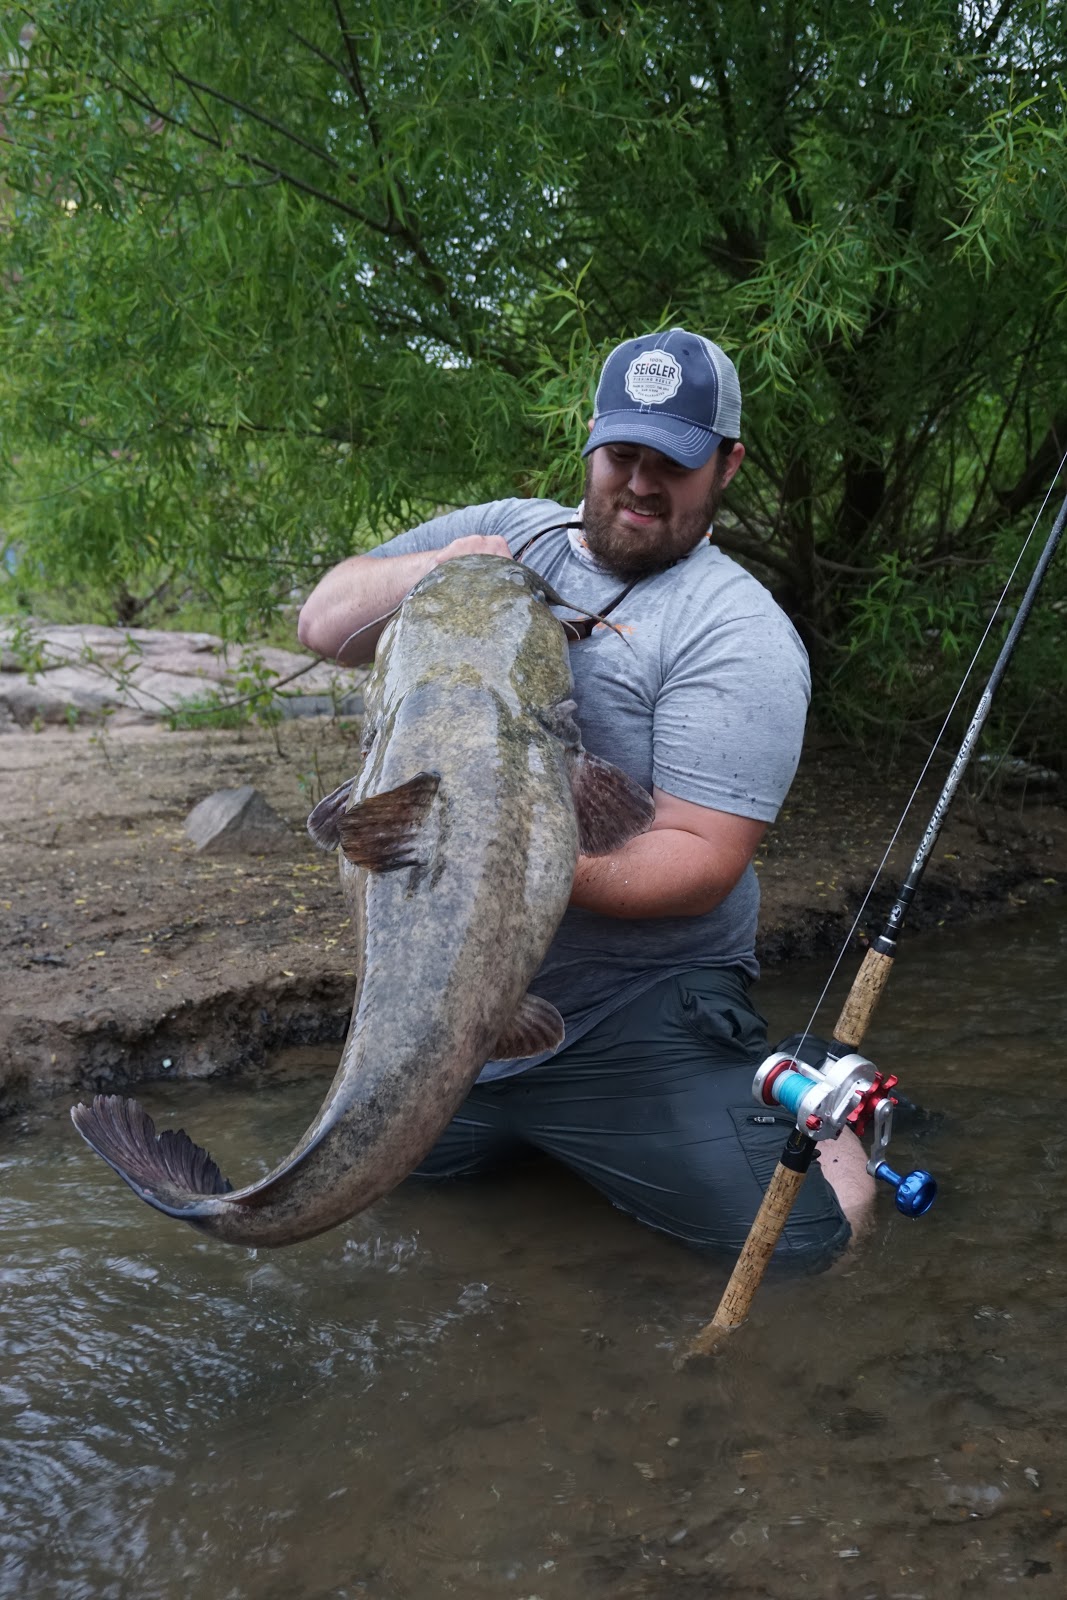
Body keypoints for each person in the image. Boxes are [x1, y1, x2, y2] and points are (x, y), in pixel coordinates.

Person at [298, 328, 874, 1269]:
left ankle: (794, 1098)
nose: (639, 483)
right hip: (458, 1007)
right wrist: (425, 575)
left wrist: (491, 868)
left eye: (673, 463)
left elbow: (698, 861)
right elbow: (324, 621)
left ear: (726, 466)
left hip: (634, 1016)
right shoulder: (506, 535)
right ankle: (540, 1137)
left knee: (800, 1246)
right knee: (351, 1182)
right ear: (590, 444)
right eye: (622, 455)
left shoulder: (736, 634)